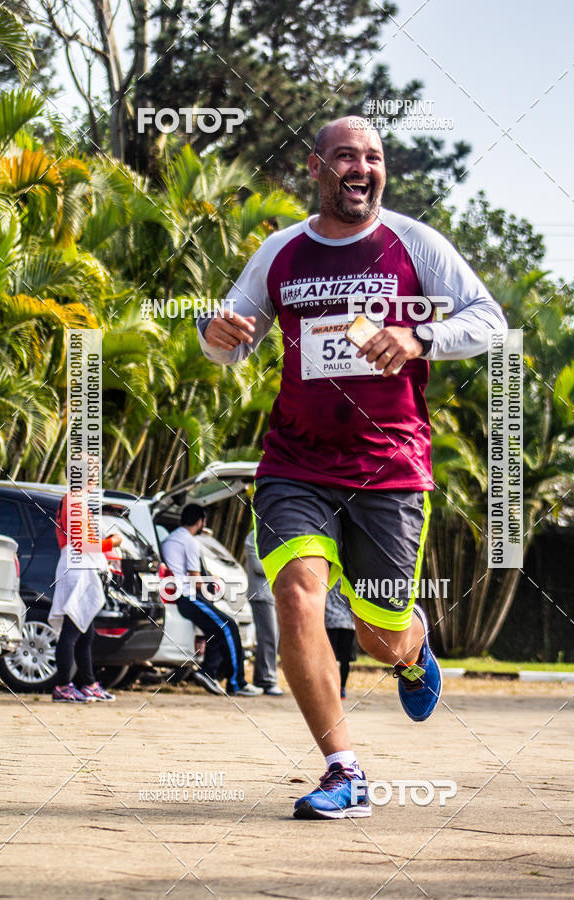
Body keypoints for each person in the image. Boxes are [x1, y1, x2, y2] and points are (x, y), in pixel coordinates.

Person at [198, 116, 507, 819]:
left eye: (373, 156)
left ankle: (411, 645)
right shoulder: (280, 252)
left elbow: (487, 319)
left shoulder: (414, 244)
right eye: (345, 156)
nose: (361, 167)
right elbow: (230, 339)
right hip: (295, 462)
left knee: (375, 631)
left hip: (389, 468)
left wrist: (418, 334)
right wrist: (215, 334)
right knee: (299, 595)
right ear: (317, 168)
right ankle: (344, 769)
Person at [162, 504, 262, 697]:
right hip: (188, 596)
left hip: (180, 596)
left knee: (215, 629)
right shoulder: (189, 542)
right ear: (200, 521)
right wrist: (217, 590)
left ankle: (208, 673)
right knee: (228, 625)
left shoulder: (171, 538)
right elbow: (194, 578)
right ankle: (237, 682)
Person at [50, 486, 122, 702]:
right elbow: (82, 543)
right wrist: (112, 542)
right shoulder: (73, 501)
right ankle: (63, 686)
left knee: (85, 633)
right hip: (78, 570)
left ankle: (89, 684)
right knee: (72, 633)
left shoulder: (74, 501)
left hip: (78, 567)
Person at [244, 529, 283, 695]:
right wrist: (282, 563)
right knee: (268, 636)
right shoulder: (254, 536)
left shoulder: (276, 534)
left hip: (274, 594)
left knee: (273, 636)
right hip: (260, 594)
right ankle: (266, 680)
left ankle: (266, 677)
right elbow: (258, 566)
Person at [325, 582, 355, 699]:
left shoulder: (326, 576)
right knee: (345, 659)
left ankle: (331, 687)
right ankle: (341, 688)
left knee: (330, 658)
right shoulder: (347, 578)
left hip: (329, 621)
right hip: (347, 623)